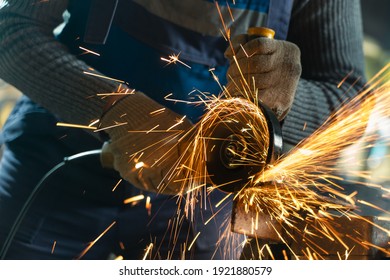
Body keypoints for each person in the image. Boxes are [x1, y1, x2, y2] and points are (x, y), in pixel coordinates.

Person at [0, 0, 367, 260]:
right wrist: (115, 109)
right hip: (55, 164)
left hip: (207, 204)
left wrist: (287, 97)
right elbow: (12, 30)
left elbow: (352, 105)